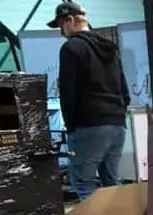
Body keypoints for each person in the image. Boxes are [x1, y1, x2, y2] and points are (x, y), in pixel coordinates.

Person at [47, 2, 130, 200]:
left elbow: (68, 91)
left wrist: (71, 125)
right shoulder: (110, 48)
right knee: (111, 183)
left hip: (88, 125)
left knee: (84, 183)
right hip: (117, 124)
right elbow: (125, 91)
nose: (61, 31)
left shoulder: (71, 48)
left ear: (70, 20)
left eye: (61, 26)